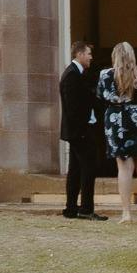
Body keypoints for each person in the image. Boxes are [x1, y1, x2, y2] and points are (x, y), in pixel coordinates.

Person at [96, 41, 137, 225]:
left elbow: (102, 96)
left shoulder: (106, 75)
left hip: (118, 123)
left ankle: (127, 214)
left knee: (125, 169)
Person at [59, 40, 106, 221]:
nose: (91, 57)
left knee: (76, 169)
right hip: (79, 131)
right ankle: (86, 208)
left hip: (78, 131)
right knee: (88, 168)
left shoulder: (77, 74)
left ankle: (71, 208)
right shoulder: (71, 75)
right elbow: (73, 108)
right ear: (79, 54)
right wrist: (84, 128)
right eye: (88, 53)